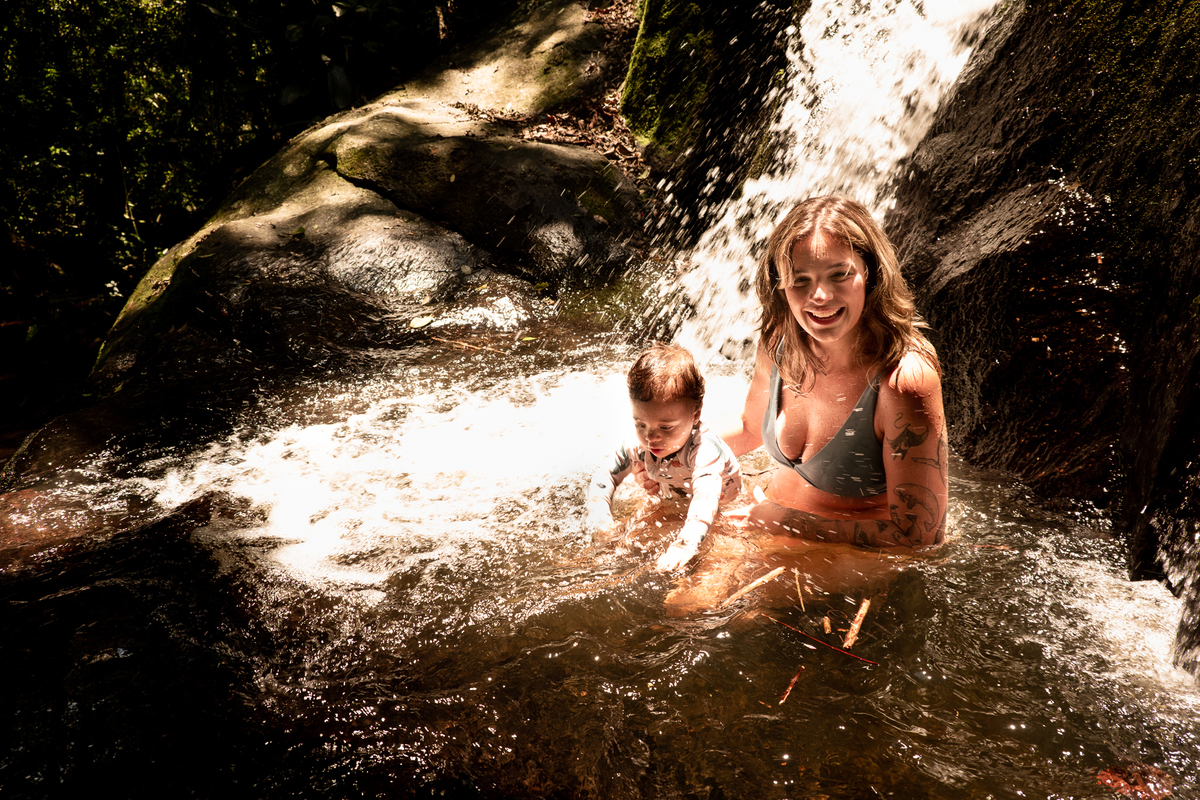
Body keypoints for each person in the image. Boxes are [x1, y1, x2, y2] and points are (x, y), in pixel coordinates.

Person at [722, 195, 947, 548]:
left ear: (870, 274)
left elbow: (920, 537)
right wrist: (669, 450)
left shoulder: (903, 380)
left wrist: (788, 523)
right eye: (800, 280)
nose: (820, 296)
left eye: (839, 274)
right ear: (780, 285)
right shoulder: (779, 343)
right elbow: (750, 427)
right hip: (762, 525)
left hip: (849, 561)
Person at [584, 343, 742, 572]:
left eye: (666, 427)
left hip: (719, 507)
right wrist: (600, 515)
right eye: (640, 424)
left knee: (715, 554)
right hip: (670, 496)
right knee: (621, 535)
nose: (651, 437)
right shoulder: (639, 443)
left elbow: (705, 500)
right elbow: (605, 474)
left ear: (695, 414)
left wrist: (685, 545)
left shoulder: (704, 450)